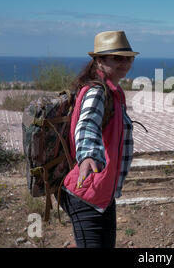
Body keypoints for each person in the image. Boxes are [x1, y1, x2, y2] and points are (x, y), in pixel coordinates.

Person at [58, 30, 138, 248]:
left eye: (128, 58)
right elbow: (87, 124)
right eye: (117, 58)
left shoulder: (112, 91)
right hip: (86, 193)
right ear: (99, 61)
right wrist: (88, 156)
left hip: (103, 194)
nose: (125, 63)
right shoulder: (97, 91)